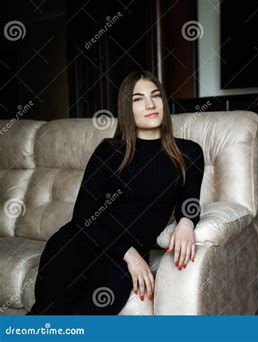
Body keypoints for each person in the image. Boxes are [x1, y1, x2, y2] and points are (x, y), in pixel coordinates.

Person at [28, 71, 204, 315]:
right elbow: (83, 217)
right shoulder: (108, 152)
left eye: (155, 96)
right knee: (46, 316)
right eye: (138, 99)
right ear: (126, 109)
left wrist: (186, 222)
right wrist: (129, 254)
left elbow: (190, 201)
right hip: (79, 243)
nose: (150, 104)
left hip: (118, 261)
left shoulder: (189, 153)